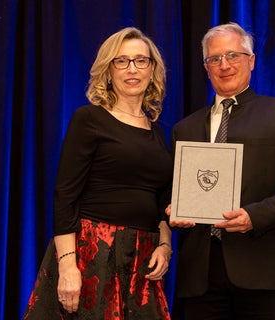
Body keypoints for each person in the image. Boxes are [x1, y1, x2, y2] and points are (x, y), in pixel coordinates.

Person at [167, 22, 275, 320]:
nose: (224, 65)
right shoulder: (183, 129)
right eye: (215, 59)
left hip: (264, 268)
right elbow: (172, 191)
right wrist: (174, 210)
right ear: (206, 67)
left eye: (233, 55)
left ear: (251, 60)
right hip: (201, 276)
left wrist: (255, 216)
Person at [23, 27, 173, 320]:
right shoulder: (89, 119)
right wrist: (68, 267)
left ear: (152, 69)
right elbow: (65, 194)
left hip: (142, 258)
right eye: (122, 61)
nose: (132, 69)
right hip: (94, 253)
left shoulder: (157, 132)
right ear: (108, 70)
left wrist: (165, 246)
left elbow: (162, 201)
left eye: (141, 60)